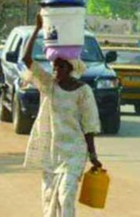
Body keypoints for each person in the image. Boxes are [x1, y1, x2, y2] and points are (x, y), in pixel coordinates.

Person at [22, 13, 102, 217]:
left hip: (74, 151)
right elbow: (26, 59)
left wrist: (93, 156)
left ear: (71, 68)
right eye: (55, 65)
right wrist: (37, 29)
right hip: (52, 151)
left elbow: (89, 125)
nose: (56, 69)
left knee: (66, 197)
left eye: (61, 66)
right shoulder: (49, 86)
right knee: (49, 199)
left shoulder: (83, 91)